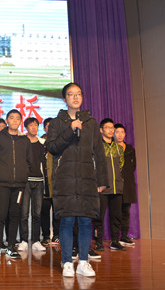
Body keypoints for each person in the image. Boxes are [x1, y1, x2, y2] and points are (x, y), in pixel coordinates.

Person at [46, 82, 108, 278]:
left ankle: (83, 262)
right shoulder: (57, 123)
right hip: (65, 178)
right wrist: (70, 129)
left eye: (78, 94)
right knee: (66, 220)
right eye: (71, 94)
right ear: (64, 99)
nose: (75, 97)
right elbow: (52, 147)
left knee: (85, 221)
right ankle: (66, 262)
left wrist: (101, 180)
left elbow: (99, 153)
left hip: (87, 178)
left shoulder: (91, 123)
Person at [0, 109, 34, 260]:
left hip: (19, 185)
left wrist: (22, 172)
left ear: (20, 121)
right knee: (0, 214)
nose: (14, 121)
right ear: (6, 120)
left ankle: (11, 246)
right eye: (11, 118)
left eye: (17, 118)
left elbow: (29, 160)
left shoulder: (25, 140)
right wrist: (2, 168)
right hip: (2, 183)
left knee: (14, 215)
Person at [95, 118, 126, 252]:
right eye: (107, 128)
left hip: (116, 187)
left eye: (112, 128)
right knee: (99, 217)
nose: (111, 130)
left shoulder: (118, 148)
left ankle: (115, 241)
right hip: (102, 188)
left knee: (116, 216)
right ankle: (98, 242)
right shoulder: (97, 147)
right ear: (101, 130)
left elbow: (121, 165)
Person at [18, 117, 47, 253]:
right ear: (26, 127)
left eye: (36, 125)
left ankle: (36, 240)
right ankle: (24, 240)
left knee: (37, 213)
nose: (34, 127)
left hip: (39, 181)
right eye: (31, 125)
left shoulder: (43, 143)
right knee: (23, 213)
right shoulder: (22, 142)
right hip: (25, 181)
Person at [114, 123, 137, 247]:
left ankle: (124, 236)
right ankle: (115, 238)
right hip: (115, 184)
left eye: (122, 132)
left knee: (126, 212)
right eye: (117, 132)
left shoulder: (130, 149)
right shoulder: (111, 148)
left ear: (125, 134)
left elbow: (133, 166)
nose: (120, 135)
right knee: (116, 212)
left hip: (128, 184)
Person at [40, 117, 60, 246]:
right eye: (48, 126)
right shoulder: (40, 143)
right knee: (44, 212)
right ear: (44, 128)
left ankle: (57, 235)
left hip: (57, 184)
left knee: (58, 212)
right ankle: (46, 235)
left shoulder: (60, 143)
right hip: (44, 183)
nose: (50, 128)